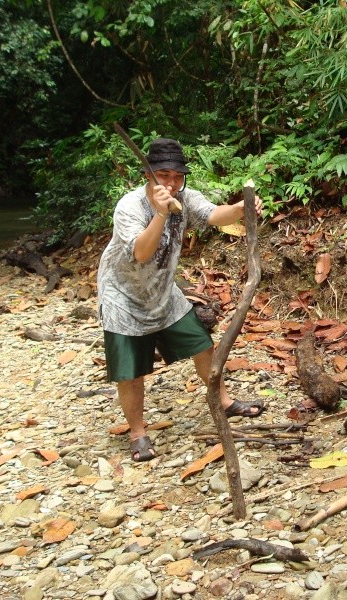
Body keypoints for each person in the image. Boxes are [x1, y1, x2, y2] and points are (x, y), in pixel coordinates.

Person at [97, 137, 264, 462]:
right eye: (164, 175)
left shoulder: (186, 197)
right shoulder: (129, 207)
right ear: (149, 175)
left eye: (177, 176)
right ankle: (138, 433)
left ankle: (224, 402)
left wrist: (240, 209)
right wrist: (160, 214)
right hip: (123, 295)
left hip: (161, 288)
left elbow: (215, 214)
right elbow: (142, 253)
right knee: (130, 369)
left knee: (202, 343)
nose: (172, 183)